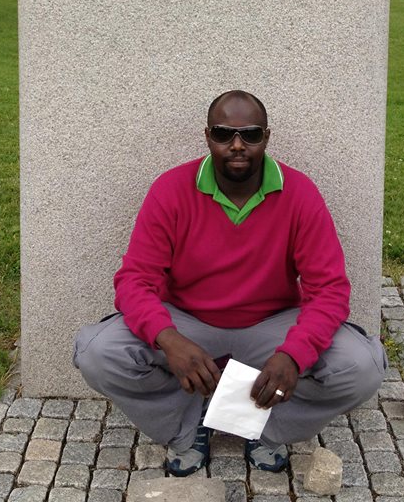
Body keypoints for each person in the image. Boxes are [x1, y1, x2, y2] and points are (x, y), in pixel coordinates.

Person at [74, 90, 386, 477]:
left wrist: (294, 355)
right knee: (95, 351)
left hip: (271, 325)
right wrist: (169, 340)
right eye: (223, 134)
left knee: (365, 365)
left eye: (250, 135)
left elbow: (331, 290)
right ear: (207, 136)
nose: (237, 145)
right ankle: (187, 428)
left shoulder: (300, 193)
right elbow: (134, 280)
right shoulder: (171, 190)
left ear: (267, 137)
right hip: (189, 323)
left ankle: (267, 429)